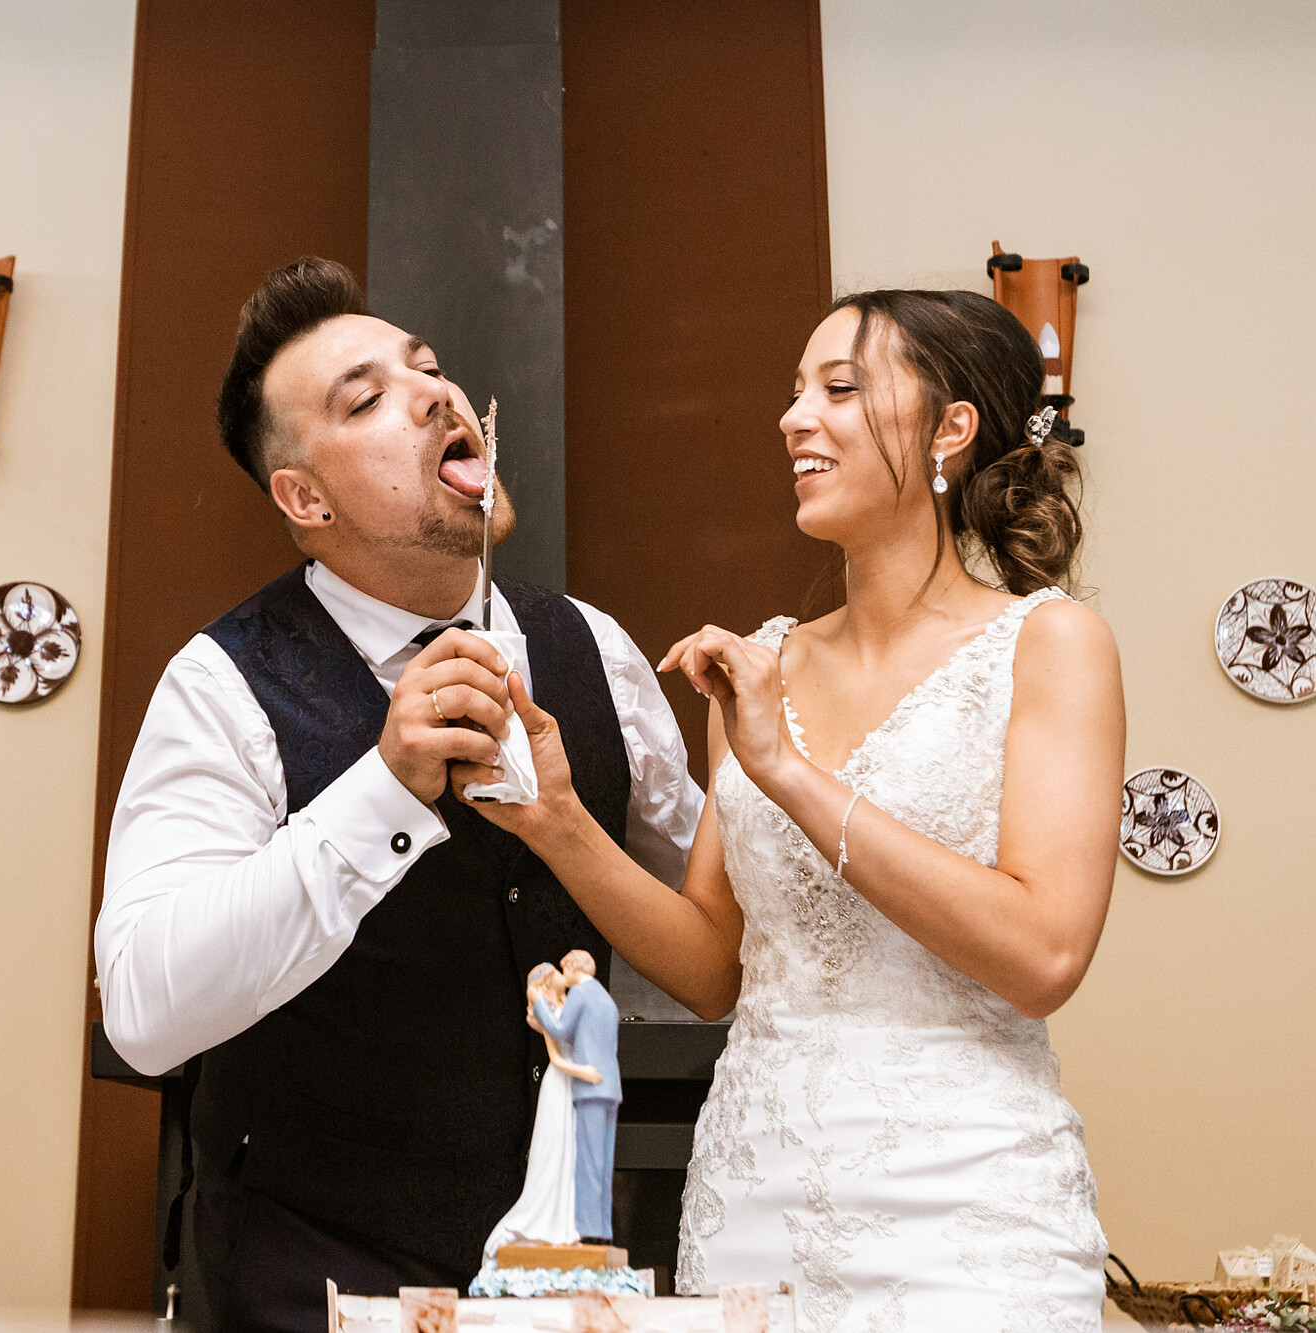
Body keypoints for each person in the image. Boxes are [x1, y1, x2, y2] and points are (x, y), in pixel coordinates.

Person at [453, 290, 1125, 1330]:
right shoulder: (765, 665)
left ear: (951, 428)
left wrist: (790, 773)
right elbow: (714, 969)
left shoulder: (1049, 645)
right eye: (793, 392)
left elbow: (1041, 955)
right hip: (751, 1197)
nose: (792, 417)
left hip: (969, 1209)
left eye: (839, 389)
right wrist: (557, 821)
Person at [94, 257, 702, 1331]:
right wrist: (384, 786)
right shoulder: (221, 683)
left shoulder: (593, 651)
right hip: (302, 1284)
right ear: (304, 497)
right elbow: (142, 1012)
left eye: (429, 369)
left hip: (556, 1287)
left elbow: (713, 933)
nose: (433, 392)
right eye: (365, 398)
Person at [477, 963, 591, 1265]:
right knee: (555, 1150)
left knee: (571, 1153)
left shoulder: (566, 1003)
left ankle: (568, 1225)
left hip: (574, 1083)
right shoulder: (546, 1011)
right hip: (562, 1082)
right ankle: (547, 1223)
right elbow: (557, 1054)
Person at [527, 949, 620, 1245]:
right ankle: (603, 1229)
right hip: (610, 1084)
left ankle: (589, 1231)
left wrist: (538, 1002)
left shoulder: (579, 994)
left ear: (570, 967)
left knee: (589, 1163)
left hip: (588, 1083)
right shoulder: (605, 998)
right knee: (604, 1164)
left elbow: (559, 1029)